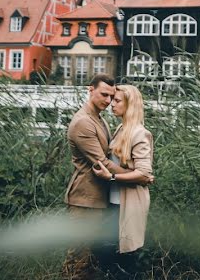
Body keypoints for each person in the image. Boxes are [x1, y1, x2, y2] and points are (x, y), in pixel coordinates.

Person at [62, 74, 135, 279]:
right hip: (85, 199)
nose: (108, 100)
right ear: (90, 89)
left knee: (88, 259)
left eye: (111, 96)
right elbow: (103, 162)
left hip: (97, 199)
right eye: (103, 94)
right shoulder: (83, 123)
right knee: (78, 257)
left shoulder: (98, 119)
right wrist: (136, 176)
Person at [93, 84, 155, 277]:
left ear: (130, 105)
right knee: (106, 252)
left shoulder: (139, 133)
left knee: (122, 257)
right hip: (114, 203)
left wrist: (111, 176)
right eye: (112, 99)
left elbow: (144, 173)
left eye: (117, 100)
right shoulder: (122, 128)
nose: (112, 104)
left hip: (127, 204)